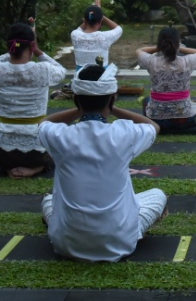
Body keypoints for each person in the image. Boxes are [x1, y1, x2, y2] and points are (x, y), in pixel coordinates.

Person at [37, 63, 166, 261]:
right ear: (111, 99)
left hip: (66, 243)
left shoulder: (60, 135)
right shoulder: (124, 133)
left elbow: (44, 123)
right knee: (158, 195)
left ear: (76, 99)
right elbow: (153, 126)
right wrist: (112, 108)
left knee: (49, 200)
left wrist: (80, 109)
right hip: (120, 241)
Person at [0, 22, 67, 178]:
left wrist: (13, 47)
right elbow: (61, 70)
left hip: (0, 154)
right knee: (63, 147)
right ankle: (36, 168)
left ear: (8, 46)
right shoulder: (43, 69)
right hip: (36, 153)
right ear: (31, 46)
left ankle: (12, 168)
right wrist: (37, 50)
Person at [137, 27, 196, 134]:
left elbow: (139, 50)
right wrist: (179, 47)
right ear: (177, 43)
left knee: (146, 100)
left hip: (156, 120)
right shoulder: (187, 62)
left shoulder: (152, 61)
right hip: (184, 120)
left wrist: (157, 48)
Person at [70, 0, 123, 70]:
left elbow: (80, 28)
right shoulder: (104, 37)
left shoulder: (75, 35)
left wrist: (94, 13)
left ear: (84, 20)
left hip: (80, 80)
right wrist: (100, 13)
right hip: (101, 80)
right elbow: (119, 29)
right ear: (101, 21)